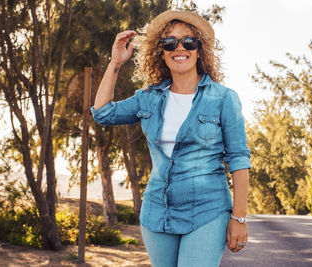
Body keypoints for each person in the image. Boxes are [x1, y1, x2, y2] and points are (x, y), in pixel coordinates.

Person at [91, 9, 251, 267]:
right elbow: (102, 113)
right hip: (158, 213)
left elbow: (239, 159)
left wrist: (239, 217)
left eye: (189, 41)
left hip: (207, 212)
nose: (180, 48)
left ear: (199, 50)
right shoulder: (148, 97)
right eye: (170, 42)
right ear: (161, 51)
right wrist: (115, 64)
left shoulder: (223, 98)